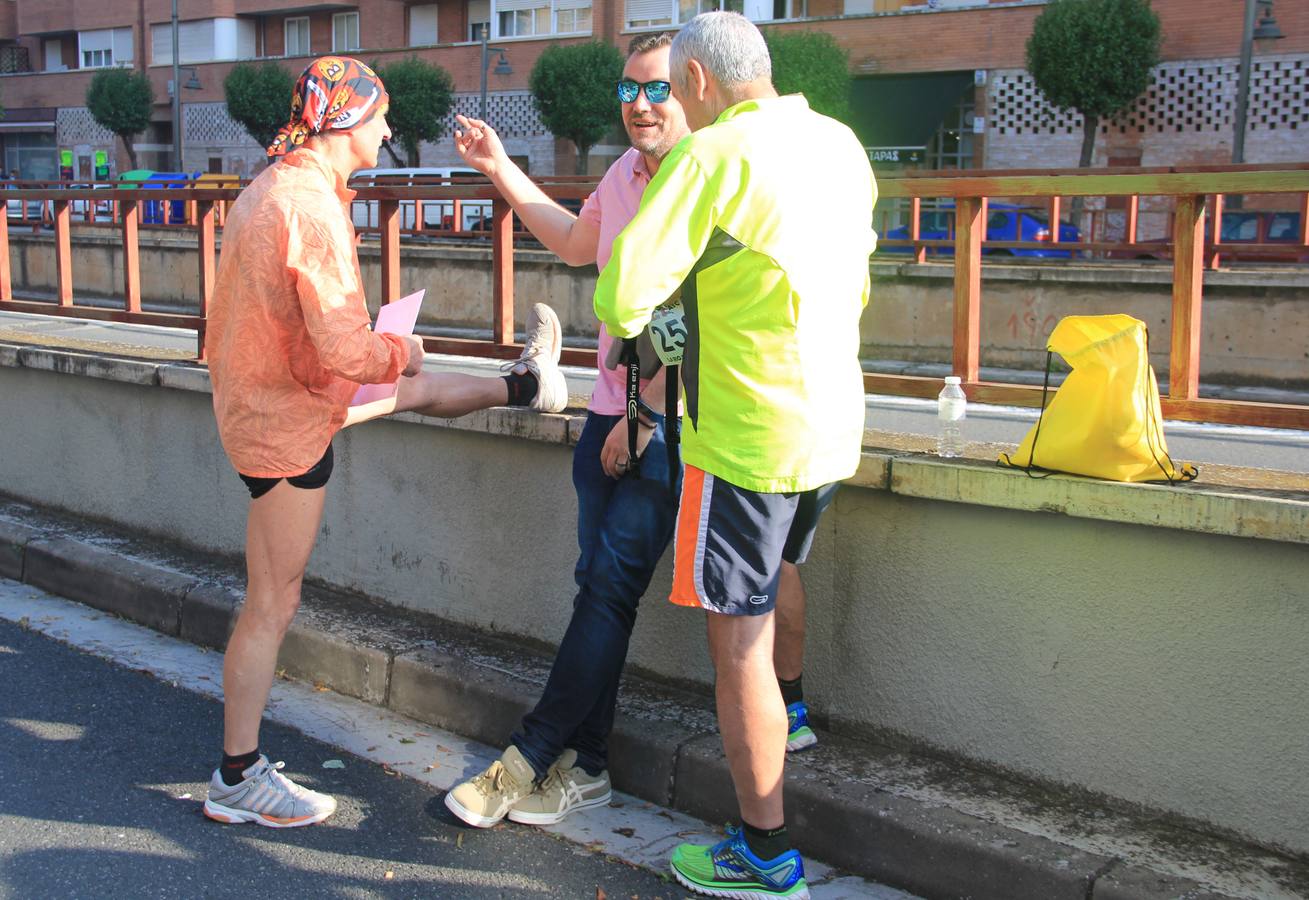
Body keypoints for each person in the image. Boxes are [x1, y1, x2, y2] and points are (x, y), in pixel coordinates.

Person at [202, 56, 565, 828]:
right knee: (272, 603)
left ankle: (530, 384)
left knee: (416, 395)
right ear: (344, 120)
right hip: (285, 423)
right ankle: (236, 776)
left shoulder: (273, 183)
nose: (390, 127)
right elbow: (346, 349)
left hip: (267, 396)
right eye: (380, 115)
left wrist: (395, 365)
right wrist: (403, 347)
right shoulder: (308, 207)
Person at [592, 14, 877, 899]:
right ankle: (790, 724)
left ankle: (763, 852)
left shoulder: (711, 158)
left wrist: (649, 337)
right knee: (779, 576)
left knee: (737, 642)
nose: (672, 102)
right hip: (829, 424)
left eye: (673, 88)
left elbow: (622, 289)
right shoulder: (838, 143)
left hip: (744, 437)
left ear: (699, 83)